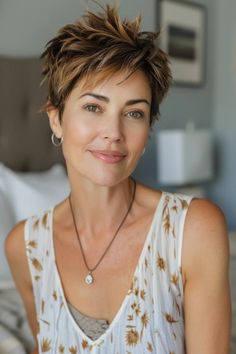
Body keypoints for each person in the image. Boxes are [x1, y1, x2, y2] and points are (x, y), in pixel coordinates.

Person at [5, 3, 231, 354]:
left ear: (148, 129)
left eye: (134, 113)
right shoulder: (25, 247)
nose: (113, 132)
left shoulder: (194, 230)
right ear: (55, 119)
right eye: (94, 107)